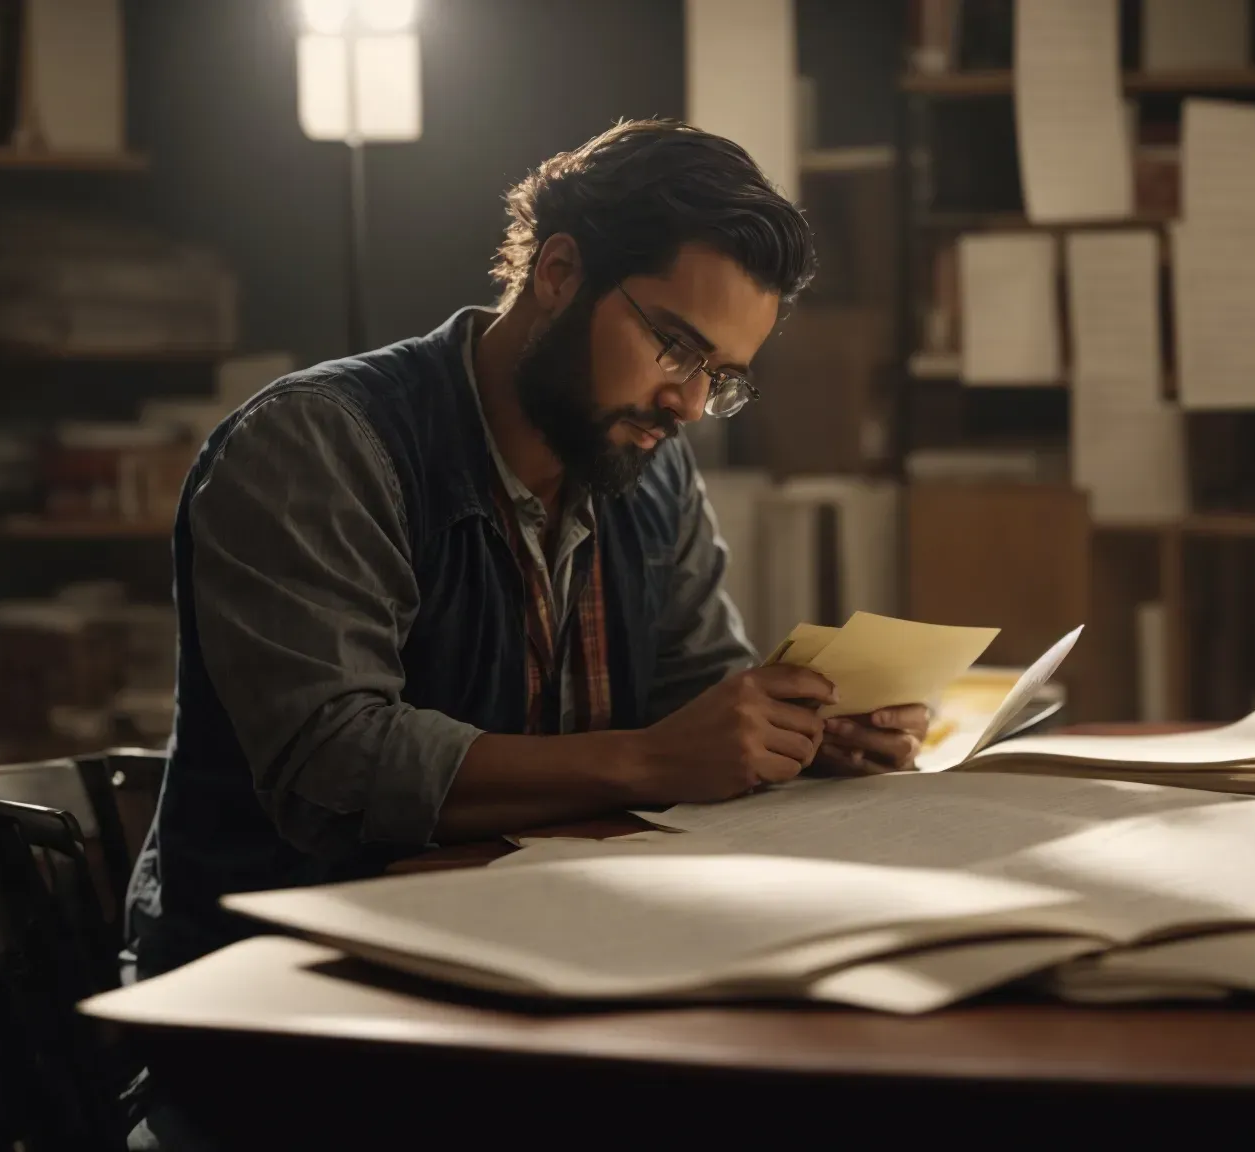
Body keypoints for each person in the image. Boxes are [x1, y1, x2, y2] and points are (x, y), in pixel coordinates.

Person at [123, 118, 930, 992]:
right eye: (676, 347)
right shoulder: (321, 445)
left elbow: (696, 694)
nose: (691, 404)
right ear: (559, 273)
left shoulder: (648, 467)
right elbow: (336, 765)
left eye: (721, 376)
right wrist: (658, 761)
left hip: (553, 956)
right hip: (287, 997)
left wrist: (795, 739)